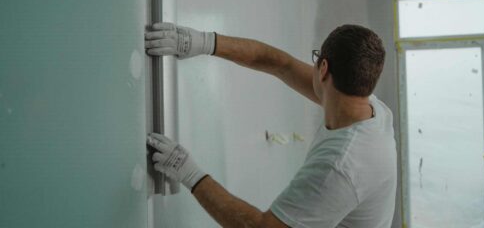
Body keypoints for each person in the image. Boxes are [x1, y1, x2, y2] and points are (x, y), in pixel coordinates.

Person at [145, 23, 397, 228]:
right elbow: (281, 64)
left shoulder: (341, 168)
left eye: (316, 58)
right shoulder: (369, 107)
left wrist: (190, 174)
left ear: (323, 68)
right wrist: (205, 42)